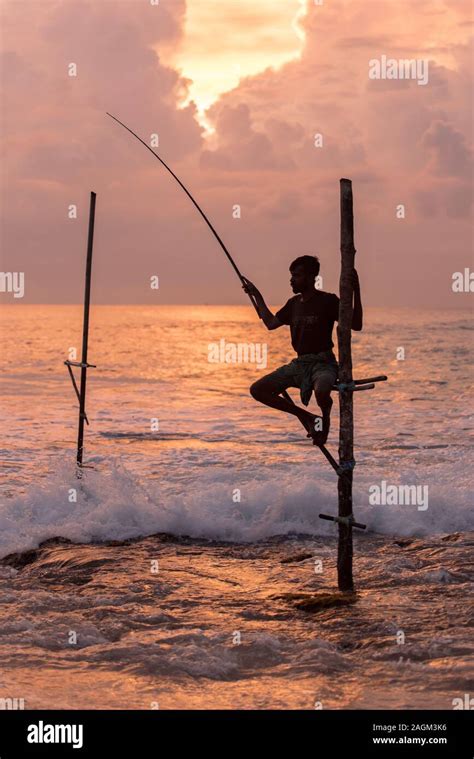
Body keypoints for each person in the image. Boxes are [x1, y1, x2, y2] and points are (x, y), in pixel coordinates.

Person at [243, 255, 363, 445]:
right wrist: (256, 295)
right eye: (291, 275)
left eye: (296, 275)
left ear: (311, 277)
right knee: (258, 390)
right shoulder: (293, 304)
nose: (292, 280)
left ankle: (325, 421)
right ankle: (309, 417)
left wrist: (356, 290)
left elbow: (356, 324)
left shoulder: (328, 301)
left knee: (322, 389)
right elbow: (271, 323)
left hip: (324, 363)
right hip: (300, 364)